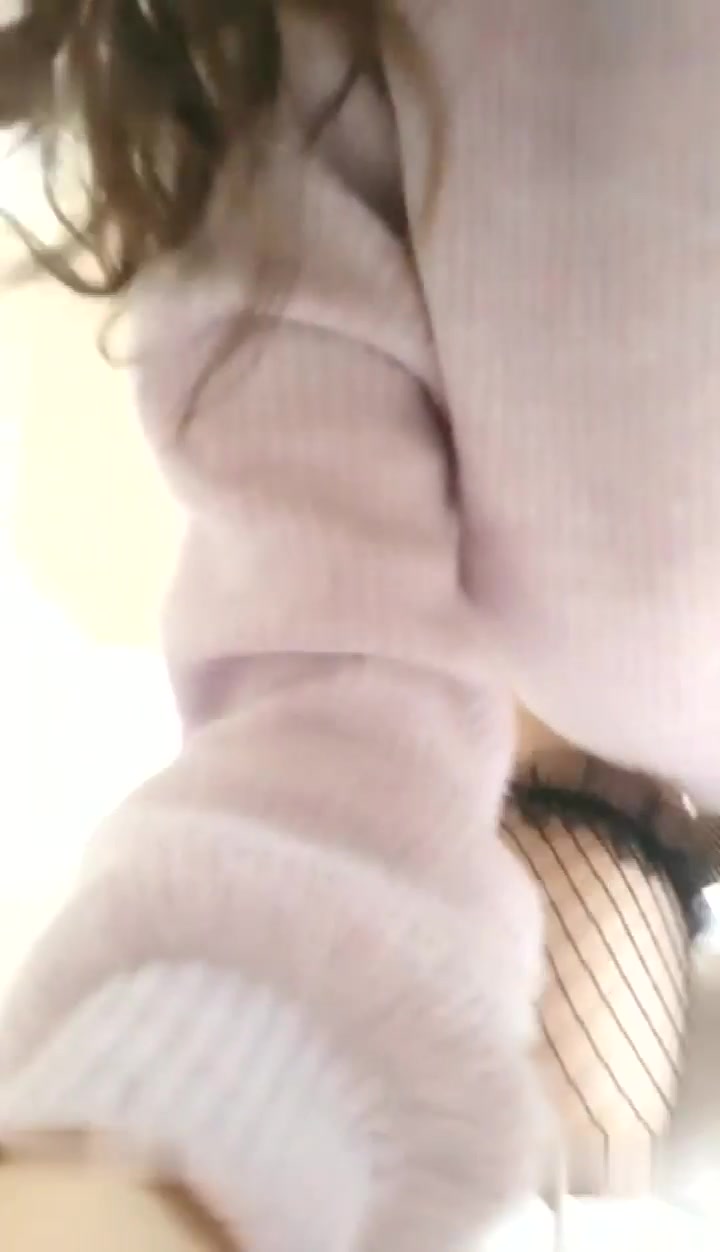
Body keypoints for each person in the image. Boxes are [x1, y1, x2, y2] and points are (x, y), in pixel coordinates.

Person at [0, 2, 719, 1248]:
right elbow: (334, 764)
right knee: (565, 1190)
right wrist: (130, 1181)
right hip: (609, 772)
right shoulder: (302, 64)